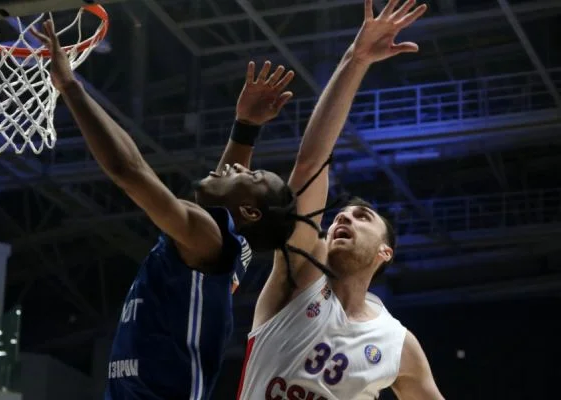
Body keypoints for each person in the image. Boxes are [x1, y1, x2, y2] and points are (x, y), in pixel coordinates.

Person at [30, 21, 313, 400]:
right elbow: (220, 199)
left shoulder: (209, 241)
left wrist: (70, 87)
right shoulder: (224, 251)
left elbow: (129, 171)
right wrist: (245, 127)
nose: (240, 167)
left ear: (251, 211)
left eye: (252, 175)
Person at [233, 1, 445, 399]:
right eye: (339, 217)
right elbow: (311, 162)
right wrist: (355, 59)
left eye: (362, 217)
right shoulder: (301, 270)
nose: (343, 219)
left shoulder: (397, 344)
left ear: (385, 252)